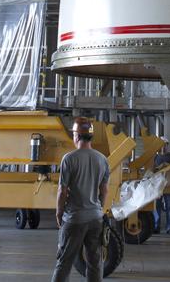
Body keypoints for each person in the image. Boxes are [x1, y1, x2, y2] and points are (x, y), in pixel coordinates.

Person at [51, 117, 111, 282]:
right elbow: (104, 190)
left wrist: (59, 212)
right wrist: (99, 209)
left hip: (74, 218)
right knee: (94, 263)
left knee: (64, 262)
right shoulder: (103, 160)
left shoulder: (69, 159)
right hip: (95, 219)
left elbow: (62, 190)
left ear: (76, 136)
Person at [152, 137, 170, 235]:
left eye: (165, 145)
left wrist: (168, 166)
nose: (163, 147)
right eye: (161, 145)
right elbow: (152, 170)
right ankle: (156, 226)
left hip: (168, 184)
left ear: (167, 145)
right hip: (158, 185)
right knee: (156, 206)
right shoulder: (155, 157)